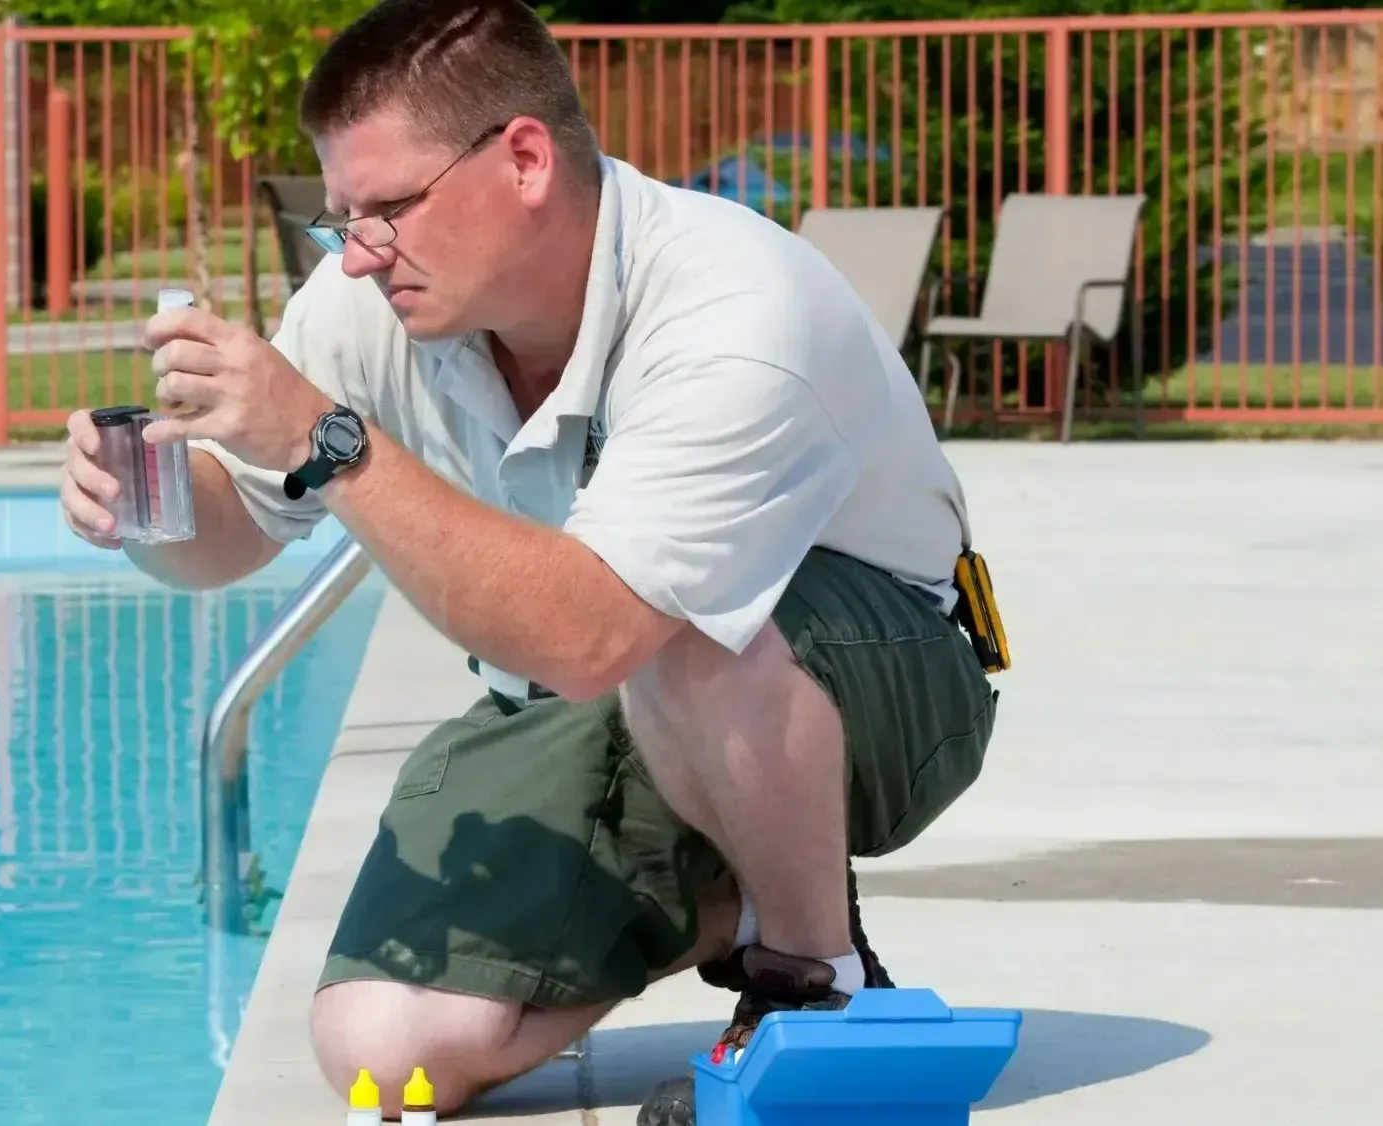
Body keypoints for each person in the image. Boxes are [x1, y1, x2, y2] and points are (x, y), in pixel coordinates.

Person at [58, 0, 1004, 1120]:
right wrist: (147, 513)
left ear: (522, 159)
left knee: (687, 627)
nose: (359, 252)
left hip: (873, 683)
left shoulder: (732, 307)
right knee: (384, 1049)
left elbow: (597, 628)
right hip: (595, 689)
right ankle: (726, 897)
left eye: (390, 210)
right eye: (341, 216)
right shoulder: (372, 295)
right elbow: (238, 533)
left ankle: (813, 975)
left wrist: (332, 440)